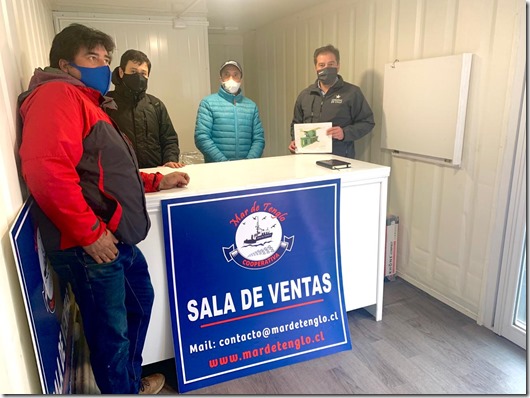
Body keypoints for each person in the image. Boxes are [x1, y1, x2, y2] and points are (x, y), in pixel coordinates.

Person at [17, 23, 190, 394]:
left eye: (105, 58)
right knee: (111, 333)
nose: (101, 64)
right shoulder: (57, 96)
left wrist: (157, 181)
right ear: (64, 63)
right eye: (91, 57)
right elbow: (46, 170)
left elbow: (106, 171)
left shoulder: (85, 100)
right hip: (90, 245)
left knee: (137, 305)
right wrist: (90, 234)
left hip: (112, 239)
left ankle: (127, 383)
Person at [288, 44, 375, 159]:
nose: (326, 68)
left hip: (339, 159)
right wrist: (295, 141)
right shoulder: (305, 95)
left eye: (331, 64)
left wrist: (344, 133)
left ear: (338, 65)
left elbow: (367, 122)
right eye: (322, 65)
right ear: (316, 67)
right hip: (307, 159)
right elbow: (296, 123)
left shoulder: (352, 93)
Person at [106, 49, 183, 169]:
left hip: (157, 176)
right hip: (120, 177)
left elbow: (169, 139)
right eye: (133, 71)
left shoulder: (155, 105)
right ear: (121, 72)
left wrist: (170, 160)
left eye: (143, 73)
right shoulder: (106, 103)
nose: (138, 77)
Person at [194, 60, 265, 163]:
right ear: (220, 78)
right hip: (217, 169)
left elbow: (259, 139)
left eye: (235, 74)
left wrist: (249, 162)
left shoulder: (251, 106)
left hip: (247, 169)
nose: (231, 78)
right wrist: (223, 162)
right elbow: (201, 137)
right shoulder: (208, 103)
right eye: (227, 74)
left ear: (240, 79)